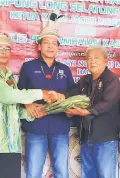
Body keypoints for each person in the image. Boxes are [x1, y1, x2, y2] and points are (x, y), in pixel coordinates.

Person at [0, 33, 58, 178]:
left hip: (11, 145)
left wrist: (33, 112)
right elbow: (9, 96)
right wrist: (41, 94)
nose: (4, 52)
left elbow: (14, 109)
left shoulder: (10, 77)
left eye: (7, 48)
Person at [18, 12, 75, 178]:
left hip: (60, 126)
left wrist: (63, 98)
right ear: (39, 46)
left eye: (54, 43)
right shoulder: (28, 67)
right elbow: (20, 92)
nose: (50, 46)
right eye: (46, 43)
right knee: (34, 172)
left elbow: (72, 92)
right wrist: (27, 105)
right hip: (36, 126)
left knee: (62, 172)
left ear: (58, 47)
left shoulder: (64, 69)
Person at [64, 46, 120, 178]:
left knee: (105, 175)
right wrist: (63, 102)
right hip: (86, 137)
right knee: (88, 175)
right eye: (89, 58)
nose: (92, 61)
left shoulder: (112, 79)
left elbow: (106, 103)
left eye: (96, 58)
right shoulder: (84, 80)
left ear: (106, 61)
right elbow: (72, 96)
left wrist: (86, 111)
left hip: (104, 139)